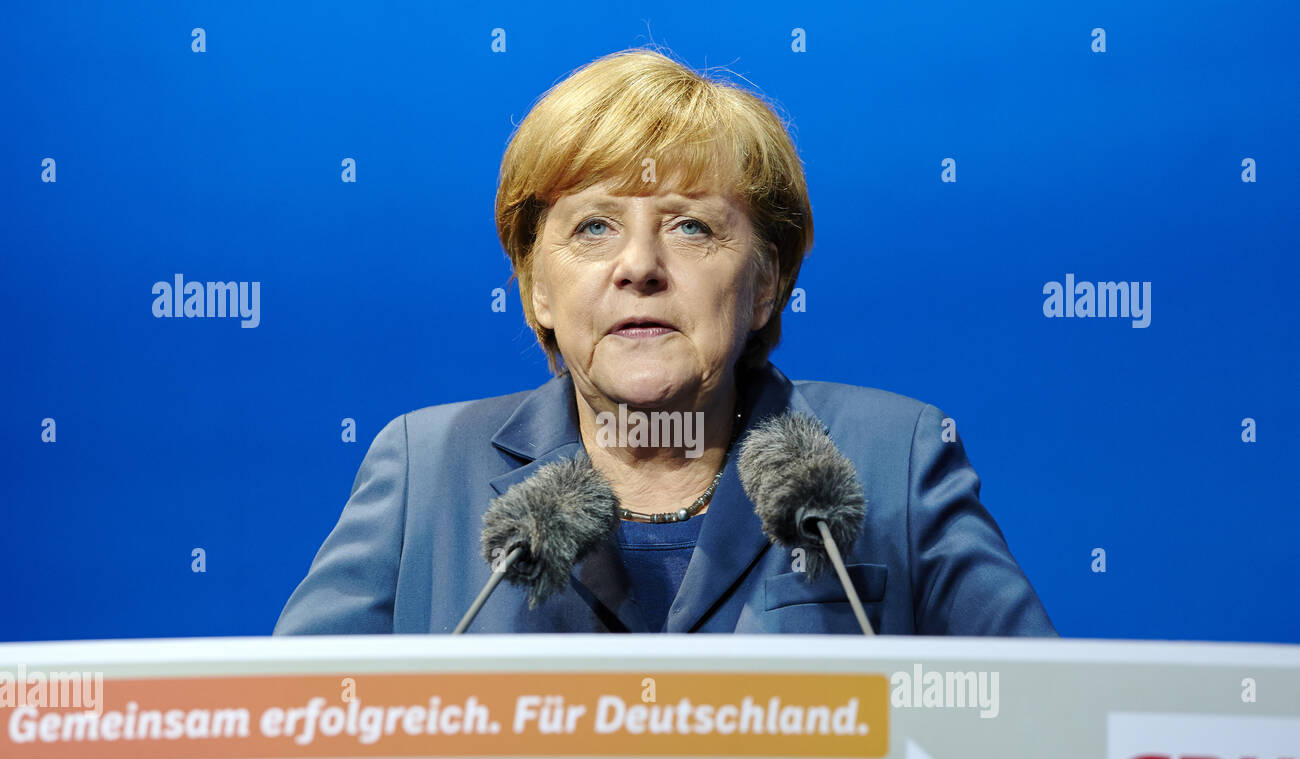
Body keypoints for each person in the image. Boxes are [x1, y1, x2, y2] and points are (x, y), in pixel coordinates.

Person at [274, 48, 1056, 637]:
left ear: (764, 284)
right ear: (537, 288)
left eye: (690, 226)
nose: (640, 267)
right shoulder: (426, 469)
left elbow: (1040, 731)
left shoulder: (892, 458)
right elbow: (290, 739)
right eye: (593, 227)